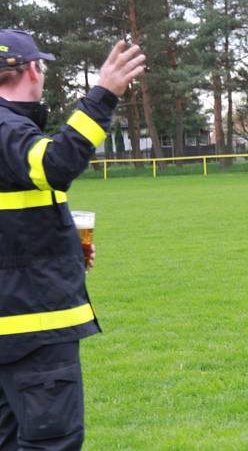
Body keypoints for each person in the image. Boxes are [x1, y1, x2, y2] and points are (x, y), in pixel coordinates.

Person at [0, 29, 145, 449]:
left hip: (13, 320)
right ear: (32, 69)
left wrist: (59, 253)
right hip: (30, 328)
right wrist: (103, 94)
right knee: (51, 443)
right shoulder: (8, 129)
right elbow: (55, 164)